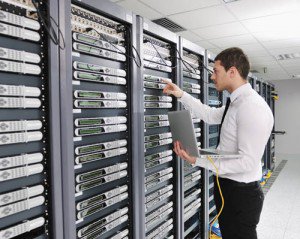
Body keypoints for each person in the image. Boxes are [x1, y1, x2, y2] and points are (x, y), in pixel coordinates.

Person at [163, 47, 274, 239]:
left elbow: (246, 162)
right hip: (228, 188)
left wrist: (197, 160)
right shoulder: (236, 103)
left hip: (241, 194)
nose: (212, 77)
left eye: (216, 71)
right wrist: (181, 95)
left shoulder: (252, 107)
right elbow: (208, 114)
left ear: (232, 72)